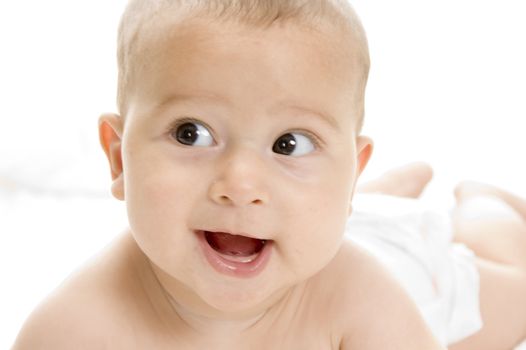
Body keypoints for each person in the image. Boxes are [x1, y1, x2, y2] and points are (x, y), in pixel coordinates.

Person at [11, 1, 525, 349]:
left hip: (410, 268)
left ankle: (482, 207)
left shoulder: (361, 296)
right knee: (327, 215)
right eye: (191, 133)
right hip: (307, 223)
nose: (240, 184)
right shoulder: (75, 329)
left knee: (514, 299)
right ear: (120, 158)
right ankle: (383, 198)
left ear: (346, 177)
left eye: (290, 144)